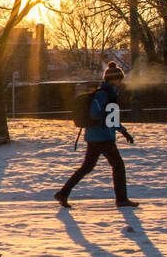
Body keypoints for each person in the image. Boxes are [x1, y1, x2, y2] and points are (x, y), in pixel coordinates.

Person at [55, 61, 139, 208]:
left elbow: (110, 118)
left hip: (94, 136)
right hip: (103, 137)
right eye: (119, 79)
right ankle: (121, 199)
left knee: (87, 167)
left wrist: (123, 131)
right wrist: (119, 129)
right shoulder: (104, 94)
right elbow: (98, 114)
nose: (121, 82)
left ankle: (63, 193)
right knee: (118, 166)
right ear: (113, 80)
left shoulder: (107, 93)